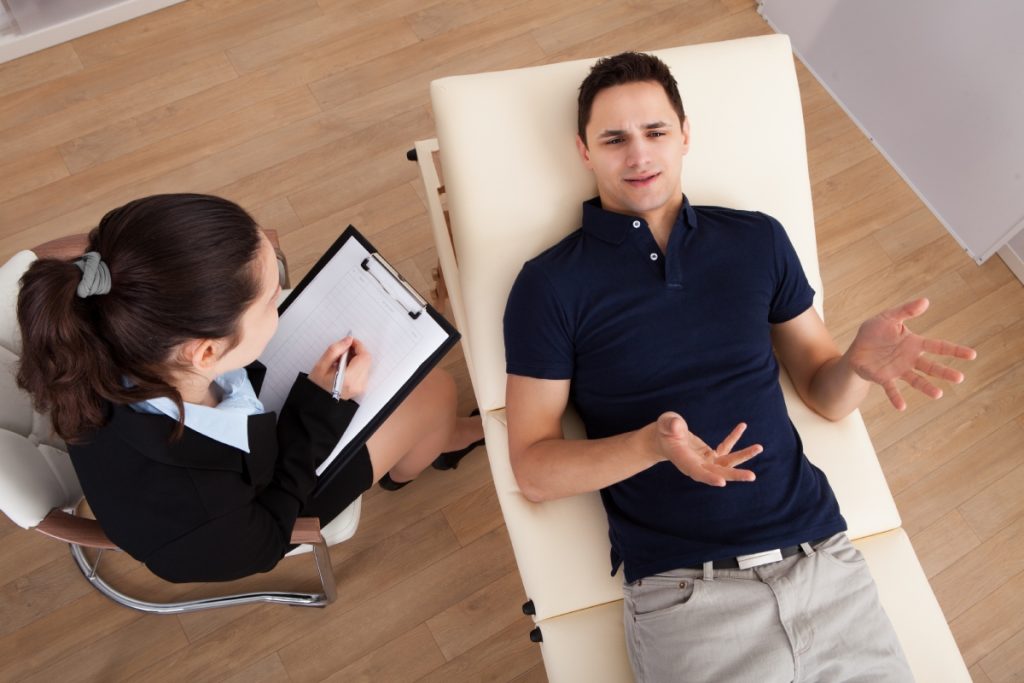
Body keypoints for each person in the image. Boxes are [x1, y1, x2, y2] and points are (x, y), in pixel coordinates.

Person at [503, 52, 976, 682]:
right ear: (585, 152)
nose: (639, 156)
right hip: (689, 600)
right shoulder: (550, 285)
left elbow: (823, 391)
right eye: (614, 139)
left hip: (823, 566)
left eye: (656, 132)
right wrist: (651, 446)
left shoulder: (756, 239)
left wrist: (856, 366)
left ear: (686, 134)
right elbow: (533, 469)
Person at [17, 193, 483, 584]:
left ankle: (433, 442)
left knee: (427, 393)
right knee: (435, 393)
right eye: (269, 303)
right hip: (264, 504)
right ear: (204, 354)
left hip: (236, 461)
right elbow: (268, 536)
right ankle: (424, 459)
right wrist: (322, 406)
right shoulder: (208, 525)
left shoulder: (101, 332)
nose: (281, 301)